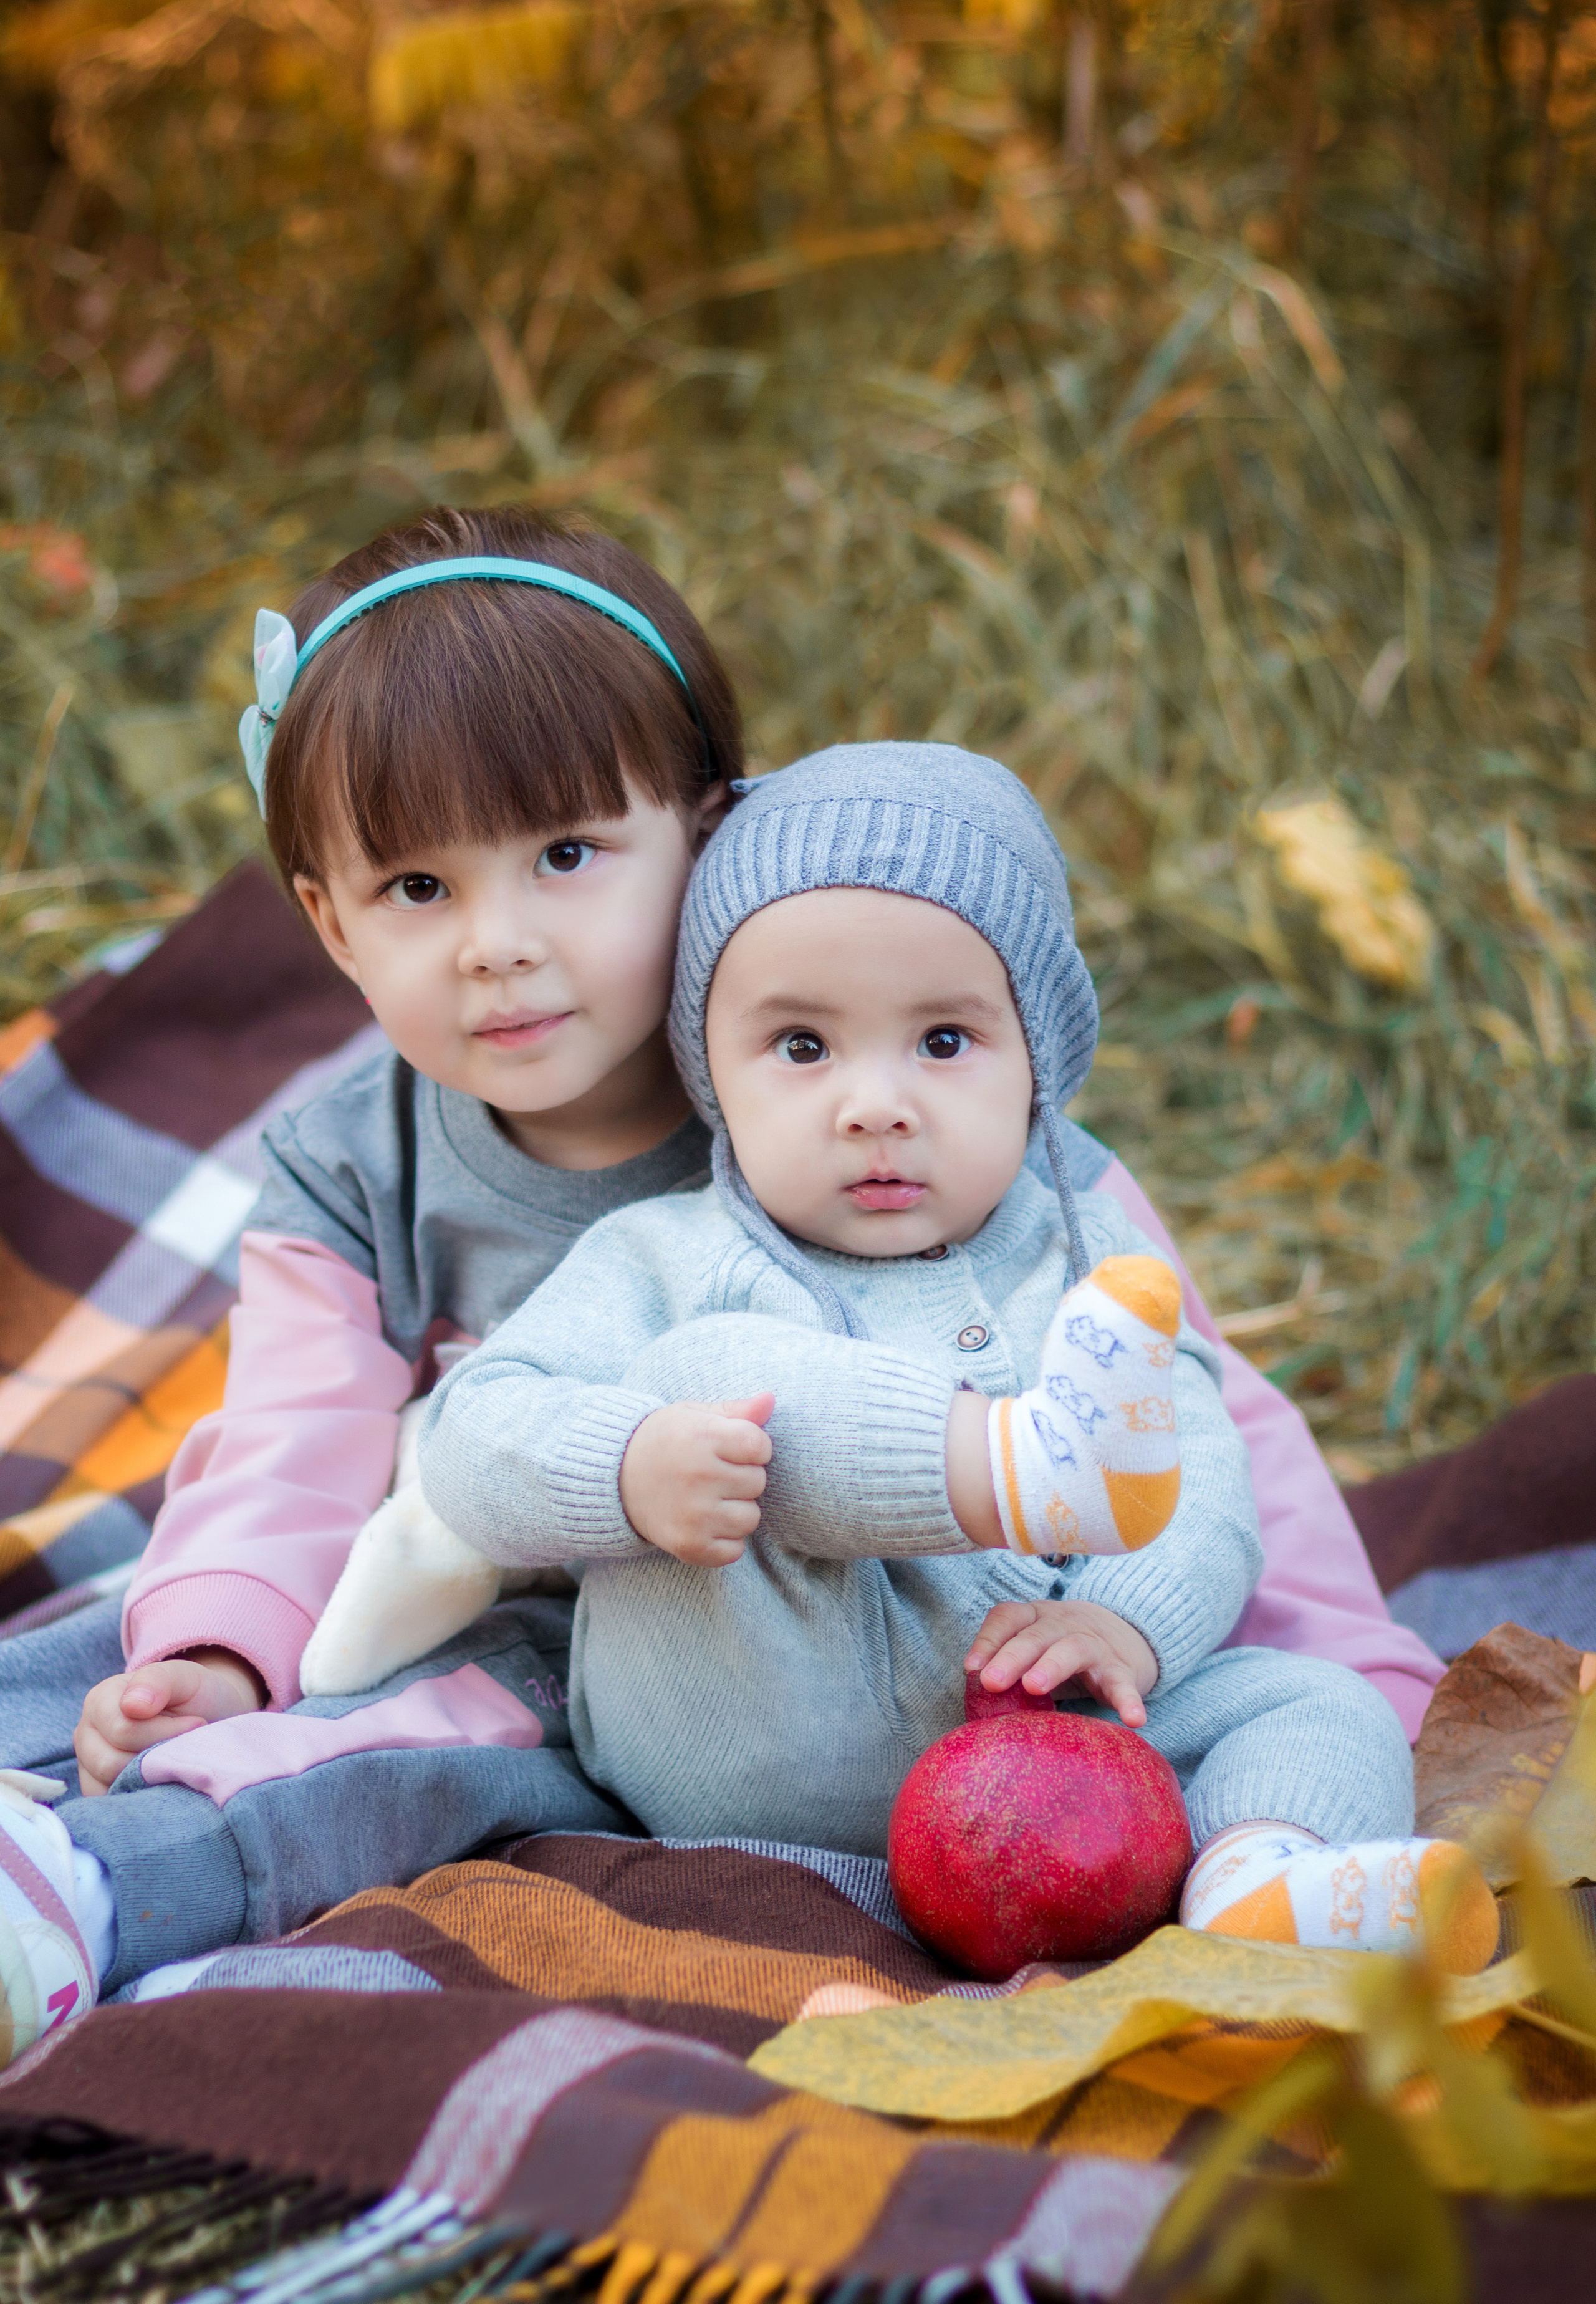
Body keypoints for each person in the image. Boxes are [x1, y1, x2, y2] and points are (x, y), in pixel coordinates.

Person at [0, 518, 1440, 2064]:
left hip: (938, 1618)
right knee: (267, 1712)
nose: (499, 948)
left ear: (703, 835)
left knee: (1279, 1710)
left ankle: (1275, 1863)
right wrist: (220, 1648)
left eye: (565, 856)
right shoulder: (357, 1167)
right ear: (328, 921)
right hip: (572, 1612)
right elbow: (293, 1439)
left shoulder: (869, 1088)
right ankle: (81, 1887)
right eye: (417, 886)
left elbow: (1185, 1399)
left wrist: (1338, 1656)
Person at [420, 742, 1496, 1972]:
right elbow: (470, 1431)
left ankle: (1257, 1881)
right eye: (802, 1047)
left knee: (1317, 1702)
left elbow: (1201, 1478)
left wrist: (1125, 1626)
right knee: (707, 1373)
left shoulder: (1085, 1257)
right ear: (708, 1066)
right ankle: (1019, 1466)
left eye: (942, 1042)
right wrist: (626, 1469)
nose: (874, 1105)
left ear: (1039, 1064)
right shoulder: (667, 1256)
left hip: (1053, 1755)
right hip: (766, 1720)